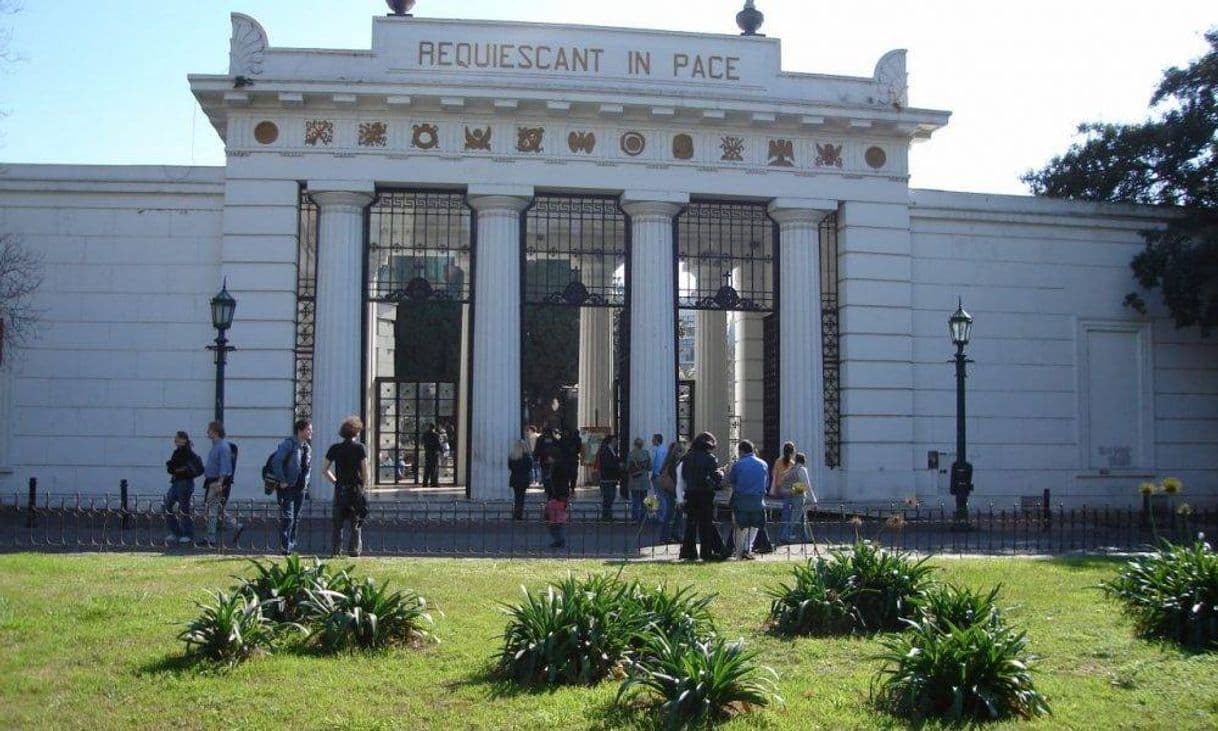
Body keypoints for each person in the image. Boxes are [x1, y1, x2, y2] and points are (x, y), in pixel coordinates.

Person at [324, 415, 370, 557]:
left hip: (340, 489)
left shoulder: (335, 448)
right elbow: (365, 471)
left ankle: (336, 551)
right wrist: (363, 487)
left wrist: (336, 481)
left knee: (337, 523)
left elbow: (324, 470)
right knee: (355, 523)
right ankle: (354, 550)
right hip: (355, 488)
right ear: (357, 432)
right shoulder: (360, 448)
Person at [676, 432, 725, 561]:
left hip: (690, 494)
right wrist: (721, 473)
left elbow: (682, 477)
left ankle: (689, 552)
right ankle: (706, 552)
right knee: (706, 525)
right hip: (705, 494)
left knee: (691, 525)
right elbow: (715, 478)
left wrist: (681, 497)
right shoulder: (710, 458)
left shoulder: (686, 458)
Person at [270, 419, 312, 554]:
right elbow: (277, 461)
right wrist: (282, 480)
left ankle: (291, 544)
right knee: (288, 517)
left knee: (296, 517)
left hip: (300, 488)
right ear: (300, 430)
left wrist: (305, 483)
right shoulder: (289, 444)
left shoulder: (307, 447)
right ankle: (285, 546)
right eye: (308, 430)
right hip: (287, 487)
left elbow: (307, 468)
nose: (311, 432)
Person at [726, 440, 768, 560]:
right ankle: (747, 549)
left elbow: (732, 481)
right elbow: (767, 483)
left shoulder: (738, 464)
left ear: (741, 451)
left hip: (741, 499)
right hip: (758, 500)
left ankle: (739, 552)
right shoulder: (763, 464)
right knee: (754, 526)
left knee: (740, 526)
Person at [163, 431, 203, 545]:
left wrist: (180, 469)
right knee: (167, 505)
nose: (175, 440)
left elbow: (190, 468)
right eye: (175, 438)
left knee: (184, 508)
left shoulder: (188, 453)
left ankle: (188, 534)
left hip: (185, 482)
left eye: (177, 438)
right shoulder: (177, 452)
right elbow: (171, 468)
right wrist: (174, 468)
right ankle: (176, 532)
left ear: (184, 440)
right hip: (176, 482)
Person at [200, 421, 234, 547]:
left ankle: (211, 538)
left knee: (211, 510)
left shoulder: (222, 446)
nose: (207, 432)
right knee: (214, 508)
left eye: (209, 430)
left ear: (215, 431)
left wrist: (220, 483)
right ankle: (236, 525)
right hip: (212, 481)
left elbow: (224, 467)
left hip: (216, 482)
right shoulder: (216, 445)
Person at [776, 452, 818, 544]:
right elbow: (807, 485)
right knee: (795, 518)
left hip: (792, 495)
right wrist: (814, 500)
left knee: (803, 518)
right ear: (804, 460)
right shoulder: (802, 469)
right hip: (799, 496)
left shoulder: (793, 469)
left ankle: (805, 536)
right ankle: (785, 536)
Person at [656, 440, 687, 542]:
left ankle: (674, 534)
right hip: (672, 490)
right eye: (681, 451)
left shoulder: (670, 460)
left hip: (670, 489)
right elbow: (676, 478)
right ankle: (666, 536)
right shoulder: (674, 462)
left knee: (677, 512)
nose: (683, 453)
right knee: (671, 513)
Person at [545, 447, 572, 549]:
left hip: (558, 496)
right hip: (560, 495)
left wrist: (555, 495)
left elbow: (557, 483)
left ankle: (559, 540)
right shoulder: (559, 465)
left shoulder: (557, 467)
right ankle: (559, 540)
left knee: (555, 520)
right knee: (556, 520)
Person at [595, 433, 621, 521]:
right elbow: (607, 463)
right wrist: (618, 465)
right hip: (607, 477)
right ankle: (606, 516)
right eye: (615, 440)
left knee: (611, 496)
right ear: (611, 441)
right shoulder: (605, 450)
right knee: (608, 496)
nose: (616, 442)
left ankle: (608, 515)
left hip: (612, 477)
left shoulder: (612, 449)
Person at [626, 437, 653, 522]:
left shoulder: (631, 454)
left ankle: (635, 519)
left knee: (635, 501)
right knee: (644, 500)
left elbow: (628, 468)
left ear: (634, 444)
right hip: (644, 480)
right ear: (642, 445)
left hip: (634, 480)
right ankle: (644, 518)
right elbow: (650, 467)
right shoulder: (646, 453)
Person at [508, 437, 534, 520]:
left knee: (517, 497)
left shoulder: (512, 457)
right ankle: (518, 514)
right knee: (521, 498)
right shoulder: (526, 457)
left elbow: (510, 467)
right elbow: (530, 467)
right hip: (523, 479)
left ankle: (516, 513)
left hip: (515, 479)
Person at [534, 427, 559, 493]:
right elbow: (558, 448)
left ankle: (546, 487)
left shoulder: (540, 438)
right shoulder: (554, 439)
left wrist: (536, 457)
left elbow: (537, 448)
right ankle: (551, 487)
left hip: (543, 458)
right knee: (552, 474)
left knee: (544, 473)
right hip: (552, 459)